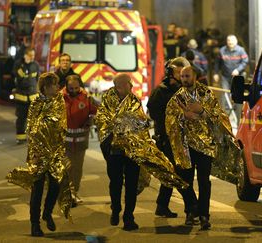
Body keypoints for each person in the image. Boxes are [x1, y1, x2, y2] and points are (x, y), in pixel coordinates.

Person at [95, 73, 187, 231]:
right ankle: (116, 209)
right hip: (115, 150)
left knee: (131, 184)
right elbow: (103, 122)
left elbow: (140, 120)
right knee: (115, 183)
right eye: (128, 84)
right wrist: (119, 129)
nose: (131, 86)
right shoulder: (107, 101)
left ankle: (129, 217)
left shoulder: (134, 100)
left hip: (133, 150)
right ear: (120, 86)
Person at [166, 66, 240, 230]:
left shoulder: (206, 94)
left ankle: (204, 216)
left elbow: (219, 115)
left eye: (187, 76)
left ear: (195, 77)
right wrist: (183, 115)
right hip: (185, 146)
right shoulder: (177, 98)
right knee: (186, 181)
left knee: (204, 182)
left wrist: (203, 111)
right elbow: (169, 118)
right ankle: (190, 213)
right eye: (183, 76)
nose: (184, 79)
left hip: (205, 146)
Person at [6, 72, 74, 237]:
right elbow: (32, 127)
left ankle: (47, 213)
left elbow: (60, 123)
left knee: (56, 185)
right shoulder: (36, 103)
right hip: (39, 152)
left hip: (56, 150)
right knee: (37, 190)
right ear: (46, 87)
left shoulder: (59, 101)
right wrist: (36, 152)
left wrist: (49, 124)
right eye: (54, 85)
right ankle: (35, 224)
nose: (58, 88)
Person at [147, 57, 199, 223]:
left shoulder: (177, 90)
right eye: (180, 73)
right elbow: (155, 114)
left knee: (171, 173)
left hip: (180, 139)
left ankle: (162, 205)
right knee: (181, 175)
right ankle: (193, 209)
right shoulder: (164, 91)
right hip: (169, 140)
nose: (183, 76)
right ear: (172, 74)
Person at [62, 74, 97, 206]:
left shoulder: (86, 97)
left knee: (77, 169)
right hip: (64, 142)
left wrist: (90, 120)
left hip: (81, 142)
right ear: (66, 87)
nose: (74, 90)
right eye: (71, 88)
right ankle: (65, 194)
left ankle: (73, 193)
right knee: (66, 169)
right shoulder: (59, 98)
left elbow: (94, 111)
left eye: (76, 87)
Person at [213, 35, 249, 120]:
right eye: (229, 41)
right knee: (224, 95)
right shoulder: (222, 51)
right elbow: (217, 63)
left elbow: (245, 61)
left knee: (237, 96)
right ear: (227, 42)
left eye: (232, 41)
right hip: (225, 76)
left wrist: (238, 69)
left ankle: (238, 117)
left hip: (238, 77)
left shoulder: (241, 50)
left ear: (236, 42)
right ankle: (224, 117)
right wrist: (216, 73)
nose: (230, 42)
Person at [12, 47, 39, 144]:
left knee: (34, 119)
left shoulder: (35, 65)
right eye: (30, 55)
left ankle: (33, 138)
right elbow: (18, 77)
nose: (32, 57)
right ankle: (21, 138)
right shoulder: (18, 64)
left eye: (33, 55)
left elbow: (37, 79)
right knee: (21, 119)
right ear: (25, 55)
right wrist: (25, 65)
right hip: (21, 97)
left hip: (33, 96)